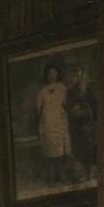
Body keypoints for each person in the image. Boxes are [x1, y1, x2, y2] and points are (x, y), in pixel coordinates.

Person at [33, 58, 73, 186]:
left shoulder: (62, 87)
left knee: (61, 152)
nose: (52, 75)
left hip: (59, 121)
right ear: (46, 75)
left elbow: (66, 103)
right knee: (50, 152)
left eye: (54, 73)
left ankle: (62, 176)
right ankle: (51, 178)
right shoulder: (42, 91)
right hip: (47, 123)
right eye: (49, 73)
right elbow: (38, 110)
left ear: (57, 74)